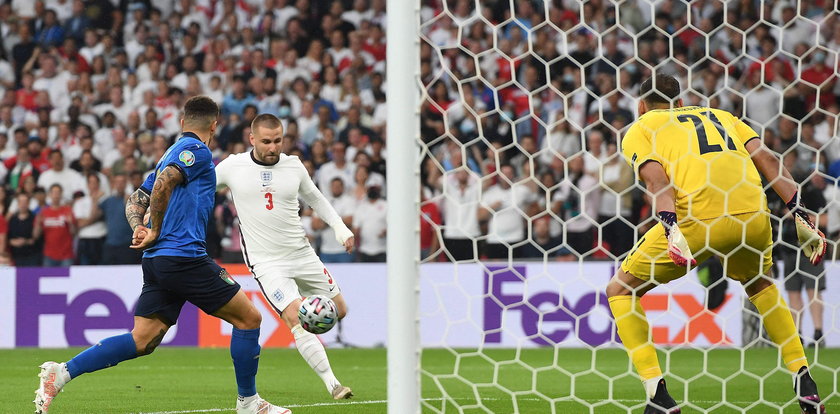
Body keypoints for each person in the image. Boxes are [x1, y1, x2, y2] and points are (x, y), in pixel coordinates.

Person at [34, 97, 291, 414]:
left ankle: (61, 373)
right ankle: (249, 403)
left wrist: (139, 226)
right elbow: (166, 181)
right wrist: (152, 230)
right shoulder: (197, 151)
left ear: (183, 122)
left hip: (158, 261)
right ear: (214, 125)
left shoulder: (169, 154)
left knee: (143, 339)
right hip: (183, 256)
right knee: (249, 319)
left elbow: (137, 197)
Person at [605, 75, 826, 414]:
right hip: (753, 216)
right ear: (680, 103)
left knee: (620, 289)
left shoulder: (643, 126)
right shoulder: (722, 116)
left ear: (641, 106)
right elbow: (767, 160)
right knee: (760, 284)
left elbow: (658, 181)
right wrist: (800, 212)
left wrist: (669, 227)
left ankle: (657, 395)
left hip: (696, 219)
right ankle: (803, 378)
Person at [215, 113, 355, 400]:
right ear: (251, 139)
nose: (273, 147)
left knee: (339, 309)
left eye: (278, 141)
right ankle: (333, 384)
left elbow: (316, 198)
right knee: (296, 317)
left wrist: (341, 229)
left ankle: (313, 340)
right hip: (267, 262)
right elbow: (201, 188)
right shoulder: (232, 166)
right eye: (266, 141)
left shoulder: (293, 166)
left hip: (302, 254)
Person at [33, 184, 76, 267]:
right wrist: (38, 223)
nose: (56, 195)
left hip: (66, 255)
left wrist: (71, 223)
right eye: (54, 192)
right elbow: (35, 235)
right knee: (48, 280)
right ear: (49, 194)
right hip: (49, 255)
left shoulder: (68, 210)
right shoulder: (43, 212)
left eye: (58, 192)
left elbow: (73, 233)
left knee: (65, 280)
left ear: (61, 194)